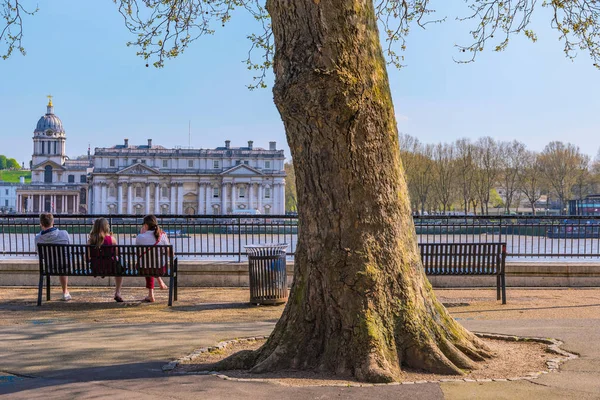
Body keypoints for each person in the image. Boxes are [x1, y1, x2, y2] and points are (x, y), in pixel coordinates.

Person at [35, 213, 72, 301]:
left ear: (41, 224)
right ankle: (65, 292)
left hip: (49, 266)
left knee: (60, 263)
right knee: (63, 263)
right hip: (65, 265)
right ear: (53, 222)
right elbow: (69, 249)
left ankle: (64, 292)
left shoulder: (38, 238)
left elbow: (40, 254)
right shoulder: (64, 234)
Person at [88, 218, 124, 302]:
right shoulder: (112, 239)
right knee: (119, 269)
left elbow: (86, 258)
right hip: (110, 267)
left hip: (95, 268)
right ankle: (117, 292)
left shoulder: (90, 240)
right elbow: (117, 254)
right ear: (106, 227)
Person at [136, 214, 169, 302]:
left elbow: (137, 253)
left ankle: (151, 294)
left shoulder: (140, 237)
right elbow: (171, 254)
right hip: (160, 269)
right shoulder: (162, 236)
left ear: (145, 225)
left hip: (143, 269)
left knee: (147, 263)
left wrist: (142, 233)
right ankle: (158, 283)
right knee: (153, 263)